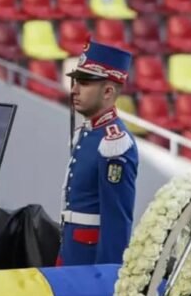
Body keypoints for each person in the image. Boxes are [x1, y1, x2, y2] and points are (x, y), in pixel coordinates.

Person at [58, 40, 139, 266]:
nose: (74, 89)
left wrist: (106, 276)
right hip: (72, 254)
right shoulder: (88, 133)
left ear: (108, 91)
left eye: (83, 83)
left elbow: (116, 222)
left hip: (89, 262)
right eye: (75, 82)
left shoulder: (115, 143)